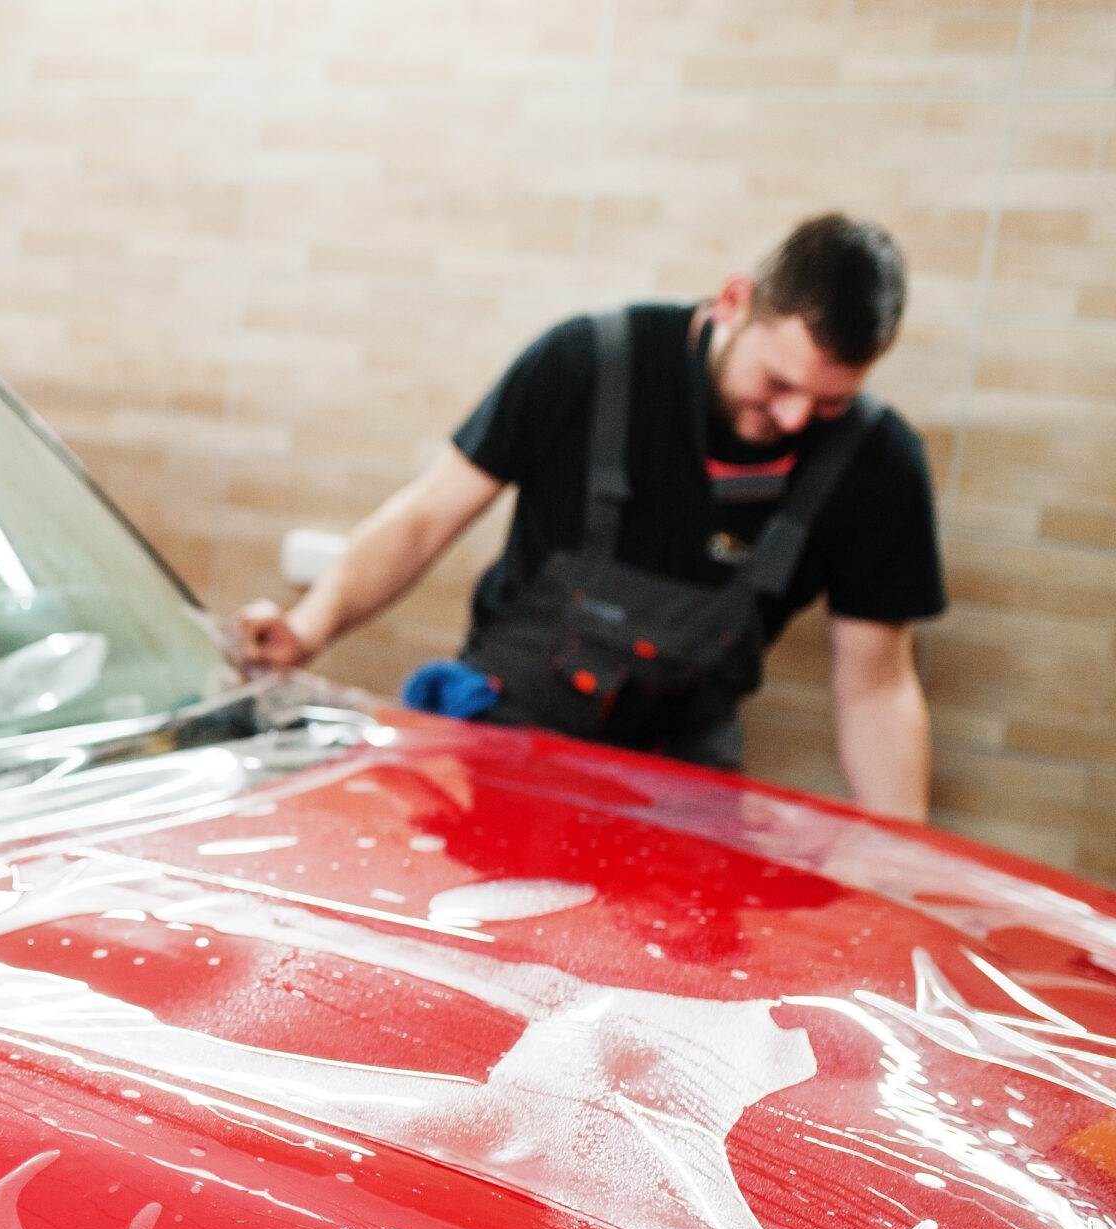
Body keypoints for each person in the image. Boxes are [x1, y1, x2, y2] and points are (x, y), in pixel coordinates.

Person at [236, 213, 944, 819]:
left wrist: (908, 859)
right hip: (505, 750)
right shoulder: (588, 365)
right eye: (778, 383)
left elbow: (876, 686)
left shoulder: (877, 464)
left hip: (682, 785)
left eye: (827, 402)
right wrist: (308, 627)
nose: (793, 418)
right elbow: (426, 517)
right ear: (734, 300)